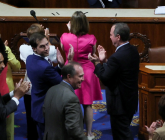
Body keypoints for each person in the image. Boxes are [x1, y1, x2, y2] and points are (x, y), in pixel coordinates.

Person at [88, 23, 140, 140]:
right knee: (124, 128)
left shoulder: (116, 57)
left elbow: (105, 78)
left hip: (119, 104)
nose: (109, 37)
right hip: (130, 100)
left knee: (121, 134)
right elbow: (118, 71)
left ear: (118, 37)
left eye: (111, 35)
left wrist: (97, 63)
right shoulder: (133, 50)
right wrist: (106, 61)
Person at [60, 11, 102, 139]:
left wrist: (70, 31)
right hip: (87, 72)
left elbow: (63, 49)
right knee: (87, 104)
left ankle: (74, 132)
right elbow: (93, 53)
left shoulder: (64, 37)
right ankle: (89, 134)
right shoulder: (91, 38)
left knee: (71, 103)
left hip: (70, 71)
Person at [26, 32, 67, 139]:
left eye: (47, 44)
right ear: (34, 48)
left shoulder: (30, 58)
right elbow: (63, 85)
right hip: (46, 110)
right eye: (42, 46)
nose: (47, 48)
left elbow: (48, 74)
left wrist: (59, 66)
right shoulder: (44, 67)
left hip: (37, 106)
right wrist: (67, 64)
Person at [20, 24, 56, 140]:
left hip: (28, 87)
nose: (46, 47)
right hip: (43, 90)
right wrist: (47, 40)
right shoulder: (51, 50)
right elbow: (54, 58)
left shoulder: (23, 48)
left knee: (31, 117)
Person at [43, 62, 87, 140]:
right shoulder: (71, 98)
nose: (83, 79)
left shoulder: (51, 90)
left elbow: (45, 113)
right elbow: (73, 129)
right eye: (80, 76)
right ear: (69, 77)